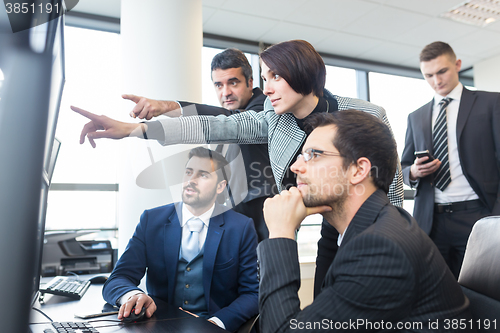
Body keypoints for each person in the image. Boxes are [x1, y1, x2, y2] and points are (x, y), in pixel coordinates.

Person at [71, 39, 404, 295]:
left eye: (275, 76)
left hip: (373, 227)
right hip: (330, 229)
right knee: (323, 304)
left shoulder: (365, 113)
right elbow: (217, 126)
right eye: (264, 78)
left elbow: (392, 182)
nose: (268, 87)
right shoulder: (275, 119)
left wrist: (400, 231)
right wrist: (135, 130)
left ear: (302, 72)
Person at [257, 111, 474, 333]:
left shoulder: (381, 248)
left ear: (358, 170)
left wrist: (281, 232)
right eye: (302, 155)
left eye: (313, 155)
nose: (295, 167)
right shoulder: (369, 226)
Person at [121, 48, 275, 242]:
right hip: (234, 219)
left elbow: (233, 122)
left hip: (265, 217)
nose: (225, 92)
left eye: (233, 83)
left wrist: (166, 107)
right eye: (218, 85)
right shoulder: (222, 125)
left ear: (250, 82)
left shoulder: (265, 108)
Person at [102, 147, 258, 332]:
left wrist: (216, 323)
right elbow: (118, 278)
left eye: (203, 175)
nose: (191, 180)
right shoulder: (151, 220)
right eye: (188, 172)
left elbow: (252, 293)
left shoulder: (241, 227)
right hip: (159, 325)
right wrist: (132, 295)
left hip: (213, 325)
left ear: (220, 186)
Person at [401, 41, 500, 278]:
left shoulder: (491, 103)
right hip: (431, 221)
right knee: (437, 290)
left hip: (478, 214)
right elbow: (404, 166)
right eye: (429, 75)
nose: (436, 81)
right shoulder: (416, 117)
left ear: (457, 65)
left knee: (481, 287)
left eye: (442, 71)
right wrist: (414, 172)